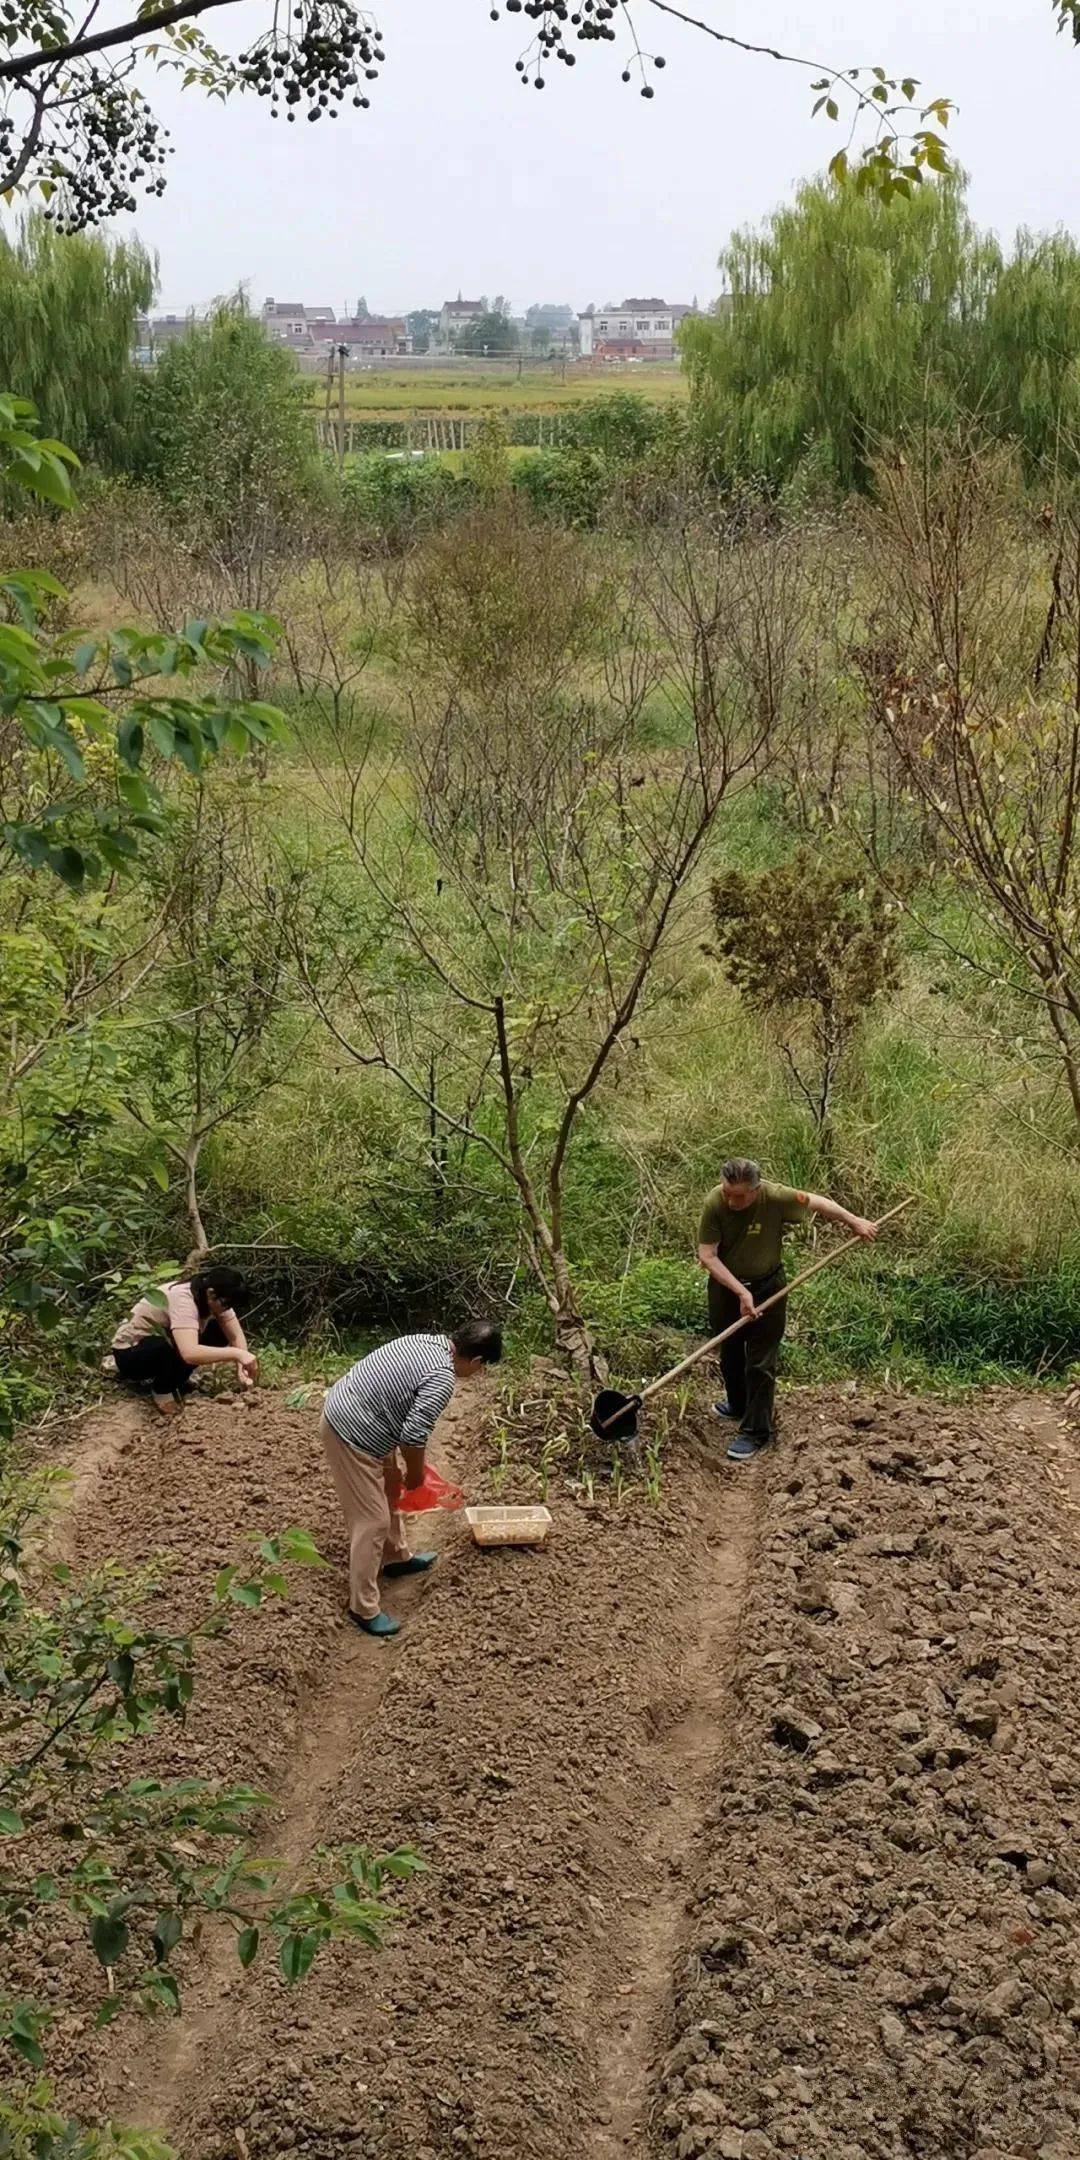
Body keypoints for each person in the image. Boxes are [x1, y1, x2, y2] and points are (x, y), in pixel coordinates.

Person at [320, 1321, 503, 1639]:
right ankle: (363, 1608)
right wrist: (416, 1475)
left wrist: (402, 1473)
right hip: (351, 1432)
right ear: (476, 1362)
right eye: (482, 1368)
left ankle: (396, 1556)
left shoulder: (427, 1341)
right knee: (372, 1520)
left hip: (364, 1414)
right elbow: (413, 1437)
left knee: (391, 1487)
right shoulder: (442, 1378)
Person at [697, 1159, 876, 1464]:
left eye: (738, 1195)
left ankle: (755, 1431)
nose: (730, 1199)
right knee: (728, 1351)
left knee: (760, 1361)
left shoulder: (776, 1197)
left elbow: (818, 1202)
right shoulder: (716, 1201)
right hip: (726, 1287)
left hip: (769, 1287)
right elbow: (708, 1256)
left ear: (756, 1190)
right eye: (728, 1192)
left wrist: (854, 1220)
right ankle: (738, 1404)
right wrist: (741, 1292)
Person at [110, 1265, 258, 1420]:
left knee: (218, 1332)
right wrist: (236, 1354)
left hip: (163, 1342)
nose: (227, 1309)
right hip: (130, 1353)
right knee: (168, 1346)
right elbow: (190, 1353)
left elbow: (235, 1336)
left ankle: (177, 1378)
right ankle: (162, 1390)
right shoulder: (183, 1299)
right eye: (226, 1304)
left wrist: (242, 1368)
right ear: (211, 1293)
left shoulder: (212, 1296)